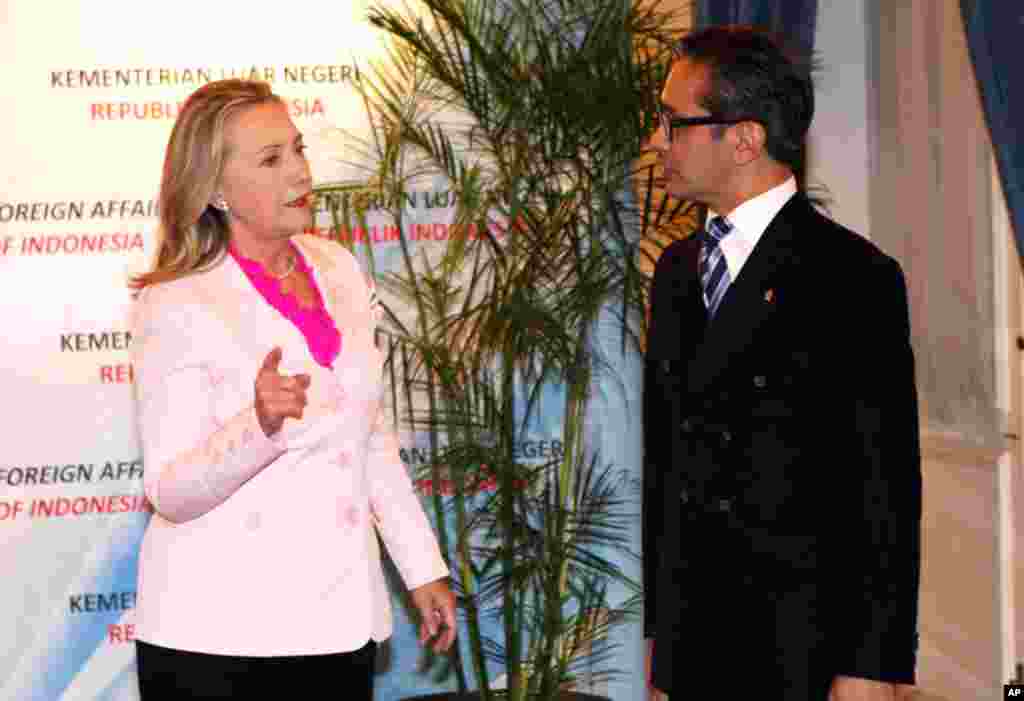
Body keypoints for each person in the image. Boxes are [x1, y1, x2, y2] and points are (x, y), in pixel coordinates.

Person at [130, 79, 456, 699]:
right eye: (271, 159)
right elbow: (169, 491)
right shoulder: (175, 300)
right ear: (216, 189)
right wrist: (258, 427)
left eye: (299, 149)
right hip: (216, 641)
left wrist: (421, 566)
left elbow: (369, 436)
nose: (300, 172)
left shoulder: (338, 267)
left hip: (338, 626)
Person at [642, 26, 921, 701]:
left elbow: (883, 488)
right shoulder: (677, 271)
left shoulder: (851, 275)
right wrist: (663, 644)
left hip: (803, 649)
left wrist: (873, 665)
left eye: (673, 123)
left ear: (744, 139)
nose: (655, 142)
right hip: (696, 646)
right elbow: (668, 468)